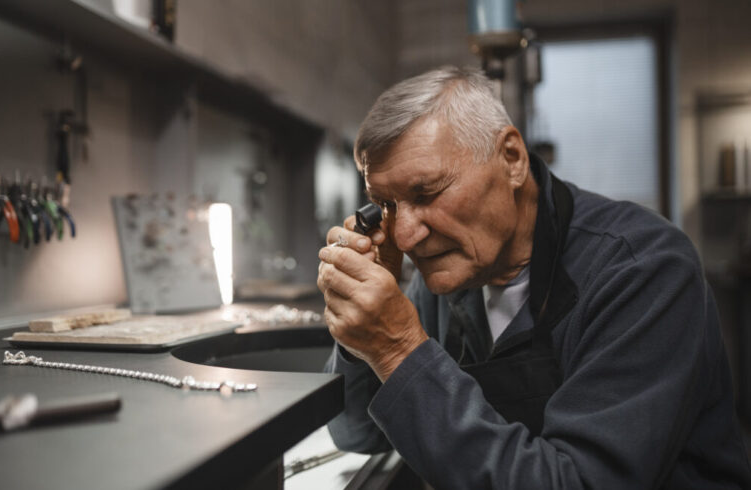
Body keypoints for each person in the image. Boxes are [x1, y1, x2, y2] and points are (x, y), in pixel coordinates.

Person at [316, 66, 751, 489]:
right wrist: (361, 338)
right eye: (386, 206)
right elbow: (359, 436)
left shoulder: (643, 271)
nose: (406, 236)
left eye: (425, 193)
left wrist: (397, 349)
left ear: (511, 159)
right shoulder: (446, 278)